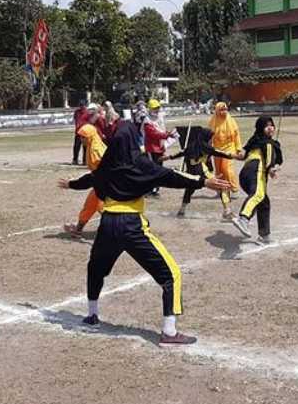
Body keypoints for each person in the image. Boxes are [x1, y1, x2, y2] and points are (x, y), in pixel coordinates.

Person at [58, 119, 230, 344]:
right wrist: (203, 181)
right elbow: (170, 176)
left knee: (96, 269)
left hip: (108, 223)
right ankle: (169, 332)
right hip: (131, 225)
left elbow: (90, 179)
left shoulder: (107, 164)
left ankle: (91, 315)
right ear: (133, 139)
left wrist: (70, 184)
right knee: (171, 275)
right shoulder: (141, 164)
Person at [230, 116, 283, 243]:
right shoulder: (268, 143)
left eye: (272, 125)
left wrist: (230, 154)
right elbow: (269, 160)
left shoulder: (254, 141)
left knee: (264, 202)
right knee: (258, 195)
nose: (270, 127)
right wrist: (270, 169)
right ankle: (243, 218)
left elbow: (242, 156)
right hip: (256, 171)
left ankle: (264, 235)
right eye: (266, 125)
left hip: (245, 174)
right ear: (261, 128)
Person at [163, 127, 234, 218]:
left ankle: (182, 210)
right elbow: (219, 153)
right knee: (223, 187)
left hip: (191, 175)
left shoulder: (191, 146)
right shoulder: (206, 147)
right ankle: (227, 211)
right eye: (210, 138)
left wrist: (168, 157)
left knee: (189, 191)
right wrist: (234, 156)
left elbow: (180, 153)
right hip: (202, 173)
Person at [64, 104, 107, 237]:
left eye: (83, 137)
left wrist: (75, 183)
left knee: (102, 207)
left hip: (107, 183)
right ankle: (78, 229)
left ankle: (120, 229)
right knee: (90, 205)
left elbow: (101, 174)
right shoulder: (92, 144)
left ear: (89, 137)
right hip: (100, 182)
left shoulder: (96, 151)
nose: (81, 139)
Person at [142, 99, 178, 196]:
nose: (157, 110)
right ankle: (149, 189)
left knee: (159, 169)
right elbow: (154, 134)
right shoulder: (147, 121)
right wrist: (167, 135)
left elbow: (162, 131)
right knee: (152, 169)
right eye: (154, 108)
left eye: (158, 107)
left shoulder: (159, 118)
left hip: (160, 147)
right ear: (150, 109)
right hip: (152, 148)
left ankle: (155, 189)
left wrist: (168, 135)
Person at [208, 102, 243, 197]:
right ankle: (220, 190)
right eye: (221, 110)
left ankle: (233, 187)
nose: (224, 112)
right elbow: (209, 137)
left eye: (225, 110)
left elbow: (236, 135)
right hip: (217, 149)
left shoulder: (231, 121)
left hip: (229, 148)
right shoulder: (212, 121)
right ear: (217, 111)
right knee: (219, 170)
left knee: (227, 169)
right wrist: (208, 149)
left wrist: (238, 148)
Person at [72, 100, 88, 165]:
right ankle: (75, 159)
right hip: (78, 132)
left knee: (85, 147)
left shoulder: (87, 112)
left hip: (85, 132)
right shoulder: (77, 112)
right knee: (76, 146)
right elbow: (76, 119)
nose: (81, 106)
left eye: (83, 105)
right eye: (80, 105)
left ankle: (85, 160)